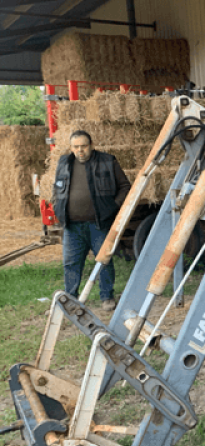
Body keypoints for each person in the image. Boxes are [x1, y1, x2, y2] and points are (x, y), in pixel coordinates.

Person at [52, 130, 131, 311]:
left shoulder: (107, 161)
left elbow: (125, 187)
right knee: (71, 262)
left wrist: (112, 207)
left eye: (84, 146)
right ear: (71, 148)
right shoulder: (64, 162)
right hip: (72, 225)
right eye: (76, 147)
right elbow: (57, 188)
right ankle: (70, 298)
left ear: (92, 145)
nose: (80, 151)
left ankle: (107, 297)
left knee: (103, 261)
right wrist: (57, 206)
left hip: (99, 223)